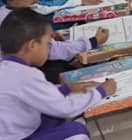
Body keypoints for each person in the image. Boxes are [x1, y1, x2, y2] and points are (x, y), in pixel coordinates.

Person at [0, 8, 116, 140]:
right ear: (32, 45)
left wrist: (66, 88)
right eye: (48, 44)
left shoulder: (7, 68)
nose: (49, 48)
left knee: (54, 117)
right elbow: (66, 108)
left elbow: (35, 93)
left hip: (16, 128)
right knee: (76, 130)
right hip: (20, 136)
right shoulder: (26, 75)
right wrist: (102, 91)